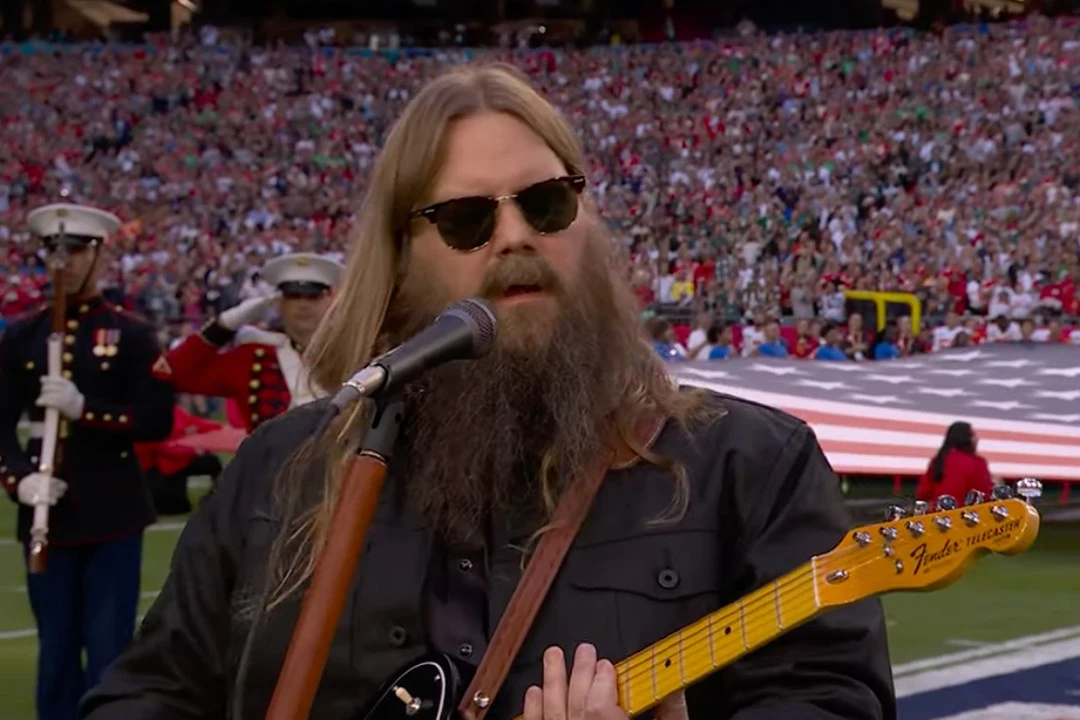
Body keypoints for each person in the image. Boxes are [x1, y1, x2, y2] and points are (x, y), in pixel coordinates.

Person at [81, 64, 895, 720]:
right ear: (401, 258)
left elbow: (830, 696)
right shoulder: (277, 474)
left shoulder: (751, 467)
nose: (516, 235)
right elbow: (150, 692)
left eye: (546, 203)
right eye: (468, 218)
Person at [0, 203, 175, 720]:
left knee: (108, 653)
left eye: (76, 249)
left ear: (99, 254)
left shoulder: (132, 334)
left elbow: (156, 420)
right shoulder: (22, 337)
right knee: (55, 653)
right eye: (54, 250)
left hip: (112, 514)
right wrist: (20, 479)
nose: (64, 261)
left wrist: (86, 409)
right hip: (46, 516)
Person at [153, 252, 344, 432]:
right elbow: (172, 373)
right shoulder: (255, 357)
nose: (303, 304)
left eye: (313, 297)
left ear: (329, 300)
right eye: (293, 296)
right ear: (279, 303)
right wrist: (226, 323)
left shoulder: (353, 352)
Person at [915, 422, 994, 504]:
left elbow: (923, 493)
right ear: (965, 439)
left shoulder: (938, 460)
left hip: (938, 514)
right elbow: (984, 493)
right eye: (973, 435)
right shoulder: (977, 462)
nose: (977, 439)